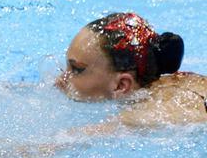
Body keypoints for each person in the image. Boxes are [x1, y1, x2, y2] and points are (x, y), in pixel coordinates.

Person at [56, 12, 206, 127]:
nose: (60, 80)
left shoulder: (146, 114)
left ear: (121, 85)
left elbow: (62, 144)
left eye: (77, 70)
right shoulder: (179, 85)